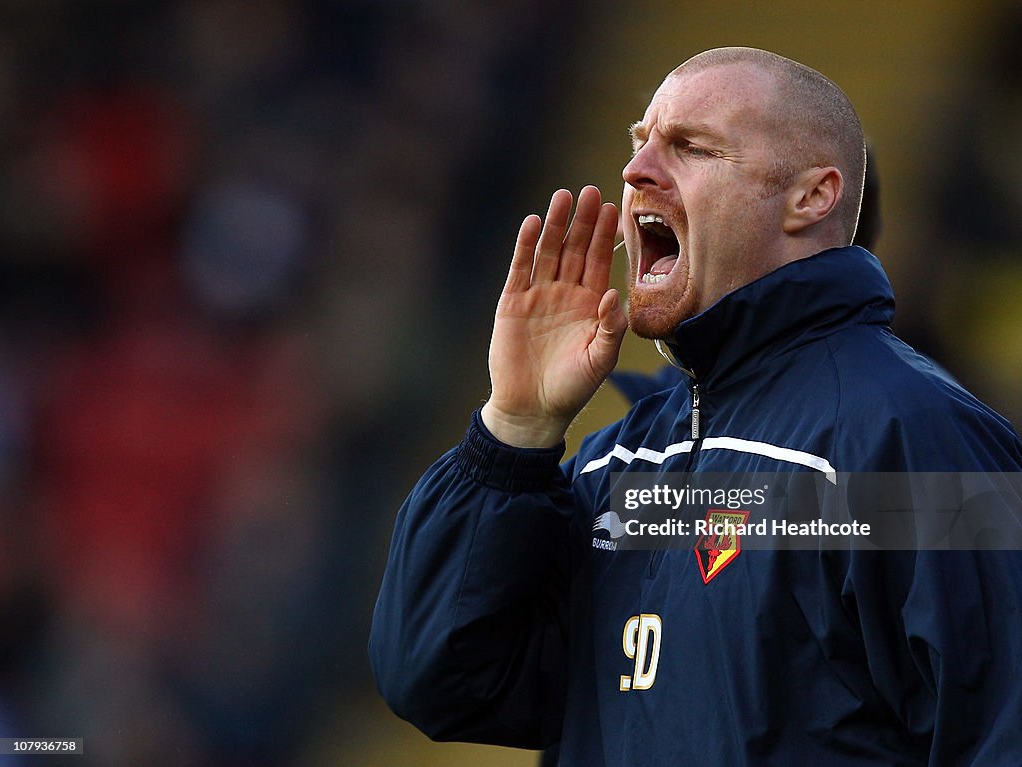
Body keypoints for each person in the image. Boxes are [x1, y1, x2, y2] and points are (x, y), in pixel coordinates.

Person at [369, 47, 1022, 765]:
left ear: (812, 197)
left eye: (690, 147)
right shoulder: (622, 464)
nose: (636, 171)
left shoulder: (912, 436)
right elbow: (440, 680)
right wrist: (512, 431)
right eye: (637, 142)